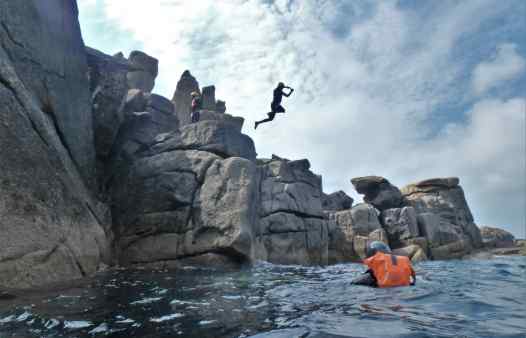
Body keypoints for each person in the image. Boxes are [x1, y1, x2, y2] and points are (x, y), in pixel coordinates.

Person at [351, 241, 416, 288]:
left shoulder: (370, 276)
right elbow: (413, 282)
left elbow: (354, 283)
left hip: (383, 298)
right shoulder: (404, 267)